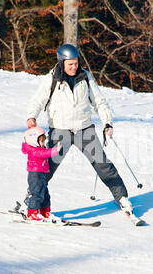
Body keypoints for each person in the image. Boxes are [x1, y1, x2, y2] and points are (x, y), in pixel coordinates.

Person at [25, 43, 135, 215]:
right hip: (60, 131)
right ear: (62, 62)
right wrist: (32, 116)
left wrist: (107, 122)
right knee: (45, 169)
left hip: (85, 130)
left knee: (103, 165)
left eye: (76, 63)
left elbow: (99, 102)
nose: (74, 67)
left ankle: (121, 197)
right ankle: (31, 200)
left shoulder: (85, 77)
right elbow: (37, 100)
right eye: (70, 64)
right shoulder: (52, 78)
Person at [22, 127, 62, 222]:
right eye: (42, 142)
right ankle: (32, 214)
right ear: (34, 141)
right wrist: (54, 150)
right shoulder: (33, 150)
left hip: (42, 173)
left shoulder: (38, 148)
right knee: (36, 194)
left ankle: (45, 212)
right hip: (35, 175)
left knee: (45, 194)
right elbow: (43, 154)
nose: (44, 144)